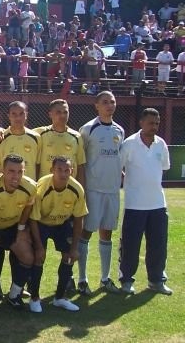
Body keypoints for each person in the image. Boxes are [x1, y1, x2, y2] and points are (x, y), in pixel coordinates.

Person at [119, 108, 172, 295]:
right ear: (141, 122)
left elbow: (164, 167)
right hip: (135, 205)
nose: (154, 127)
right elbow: (119, 167)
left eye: (157, 123)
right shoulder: (129, 144)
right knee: (130, 245)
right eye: (151, 123)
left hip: (158, 204)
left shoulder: (161, 144)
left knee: (158, 245)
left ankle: (156, 280)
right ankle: (126, 280)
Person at [77, 91, 124, 295]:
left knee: (107, 233)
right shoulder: (88, 129)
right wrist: (83, 190)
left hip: (112, 190)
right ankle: (82, 279)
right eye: (105, 102)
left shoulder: (119, 130)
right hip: (93, 190)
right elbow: (81, 161)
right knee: (86, 233)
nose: (109, 105)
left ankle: (105, 279)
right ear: (96, 105)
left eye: (112, 102)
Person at [29, 156, 87, 312]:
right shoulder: (41, 187)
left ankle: (60, 298)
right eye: (59, 170)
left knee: (69, 257)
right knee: (39, 257)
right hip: (41, 224)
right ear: (52, 170)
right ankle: (34, 298)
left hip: (62, 224)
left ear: (72, 171)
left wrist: (74, 247)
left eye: (67, 170)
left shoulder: (77, 189)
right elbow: (33, 218)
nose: (63, 173)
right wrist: (39, 246)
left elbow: (79, 219)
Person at [0, 155, 37, 309]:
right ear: (2, 170)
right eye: (11, 171)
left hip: (11, 225)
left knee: (27, 256)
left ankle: (14, 294)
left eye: (20, 172)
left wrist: (21, 229)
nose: (16, 176)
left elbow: (28, 208)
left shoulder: (30, 187)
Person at [34, 99, 86, 188]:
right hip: (45, 188)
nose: (62, 115)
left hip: (69, 188)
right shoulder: (39, 133)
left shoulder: (76, 136)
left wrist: (81, 189)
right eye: (58, 112)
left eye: (65, 112)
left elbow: (80, 166)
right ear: (50, 114)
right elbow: (18, 131)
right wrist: (1, 129)